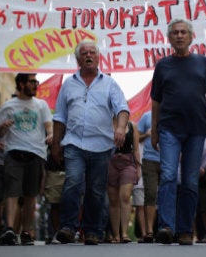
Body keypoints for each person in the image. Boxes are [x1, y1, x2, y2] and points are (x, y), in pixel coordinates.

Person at [150, 18, 206, 245]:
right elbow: (156, 101)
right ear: (169, 38)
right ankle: (166, 226)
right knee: (167, 176)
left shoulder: (203, 63)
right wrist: (154, 130)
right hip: (169, 130)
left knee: (190, 181)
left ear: (191, 36)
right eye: (175, 32)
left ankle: (185, 230)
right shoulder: (162, 65)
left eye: (184, 32)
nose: (179, 35)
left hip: (196, 130)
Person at [52, 39, 130, 245]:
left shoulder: (110, 83)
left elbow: (122, 108)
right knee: (72, 183)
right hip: (73, 144)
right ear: (78, 59)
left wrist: (121, 128)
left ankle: (92, 230)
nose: (88, 56)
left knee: (96, 189)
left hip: (101, 146)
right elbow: (59, 116)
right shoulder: (68, 84)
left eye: (92, 53)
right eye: (84, 53)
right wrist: (55, 145)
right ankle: (68, 227)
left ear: (98, 57)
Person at [0, 73, 53, 246]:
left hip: (36, 153)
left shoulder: (41, 105)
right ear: (22, 84)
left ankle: (26, 232)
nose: (35, 84)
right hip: (14, 153)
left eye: (36, 81)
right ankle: (9, 229)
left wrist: (51, 134)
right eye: (32, 82)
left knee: (31, 195)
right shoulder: (9, 106)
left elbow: (48, 125)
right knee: (12, 192)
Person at [107, 120, 141, 243]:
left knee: (125, 196)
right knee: (113, 200)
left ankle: (125, 233)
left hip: (128, 162)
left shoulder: (133, 126)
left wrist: (138, 167)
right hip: (111, 162)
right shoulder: (106, 124)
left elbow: (136, 149)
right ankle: (116, 235)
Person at [137, 110, 160, 243]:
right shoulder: (146, 116)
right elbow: (137, 138)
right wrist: (146, 134)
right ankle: (149, 231)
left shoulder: (171, 113)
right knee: (150, 194)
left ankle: (164, 228)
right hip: (149, 160)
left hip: (168, 159)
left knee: (165, 195)